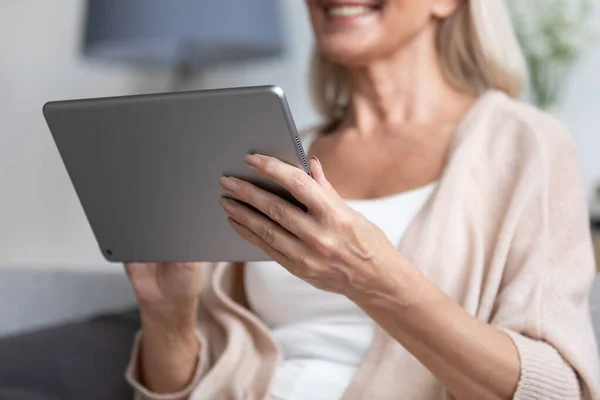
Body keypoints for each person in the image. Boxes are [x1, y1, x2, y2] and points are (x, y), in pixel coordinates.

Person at [123, 0, 600, 399]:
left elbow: (559, 389)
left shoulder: (525, 146)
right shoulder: (272, 157)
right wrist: (166, 318)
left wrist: (374, 278)